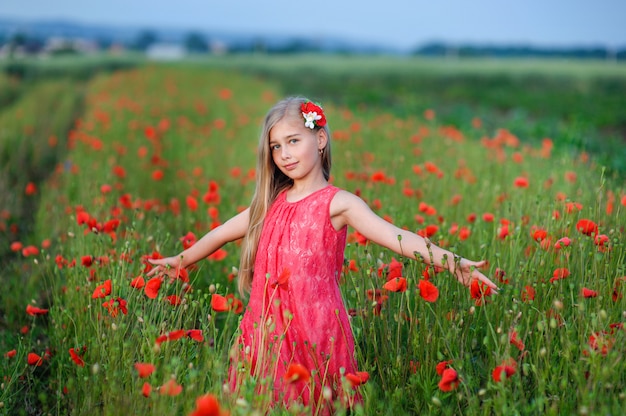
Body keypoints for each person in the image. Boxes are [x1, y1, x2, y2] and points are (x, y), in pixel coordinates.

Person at [147, 96, 498, 414]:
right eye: (275, 146)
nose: (284, 154)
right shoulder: (270, 204)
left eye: (293, 141)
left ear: (320, 139)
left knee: (314, 404)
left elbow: (397, 237)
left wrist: (454, 263)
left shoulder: (338, 203)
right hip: (267, 329)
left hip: (316, 331)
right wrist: (181, 260)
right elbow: (220, 235)